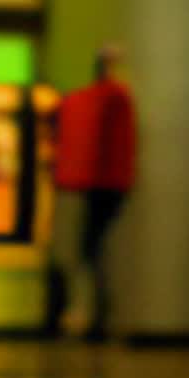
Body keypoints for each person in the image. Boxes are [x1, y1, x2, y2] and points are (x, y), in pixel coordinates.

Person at [53, 45, 137, 339]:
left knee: (86, 250)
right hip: (106, 184)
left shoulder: (87, 100)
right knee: (93, 250)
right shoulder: (116, 99)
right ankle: (98, 315)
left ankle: (89, 315)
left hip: (87, 184)